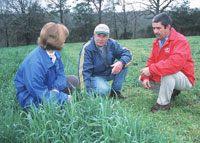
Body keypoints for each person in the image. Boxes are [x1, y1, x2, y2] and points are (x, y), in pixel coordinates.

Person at [14, 22, 79, 109]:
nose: (64, 41)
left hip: (49, 87)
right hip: (32, 97)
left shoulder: (55, 53)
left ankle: (56, 101)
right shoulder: (34, 63)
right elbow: (38, 92)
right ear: (55, 41)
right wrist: (63, 98)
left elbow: (60, 74)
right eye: (63, 38)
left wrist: (56, 89)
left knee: (73, 80)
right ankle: (55, 105)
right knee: (47, 107)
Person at [139, 13, 195, 112]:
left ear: (168, 27)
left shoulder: (180, 40)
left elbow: (174, 65)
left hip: (185, 78)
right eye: (153, 28)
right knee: (141, 78)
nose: (155, 31)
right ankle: (172, 91)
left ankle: (163, 104)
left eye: (158, 28)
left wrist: (151, 69)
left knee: (168, 73)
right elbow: (151, 61)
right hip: (168, 74)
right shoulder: (156, 42)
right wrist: (146, 77)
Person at [78, 24, 133, 99]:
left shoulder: (112, 43)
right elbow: (84, 71)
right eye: (98, 35)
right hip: (95, 76)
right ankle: (94, 90)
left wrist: (121, 62)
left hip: (109, 71)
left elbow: (127, 53)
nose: (101, 39)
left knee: (124, 65)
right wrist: (85, 93)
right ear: (94, 35)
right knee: (104, 91)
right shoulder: (87, 48)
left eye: (104, 36)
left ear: (108, 37)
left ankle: (115, 92)